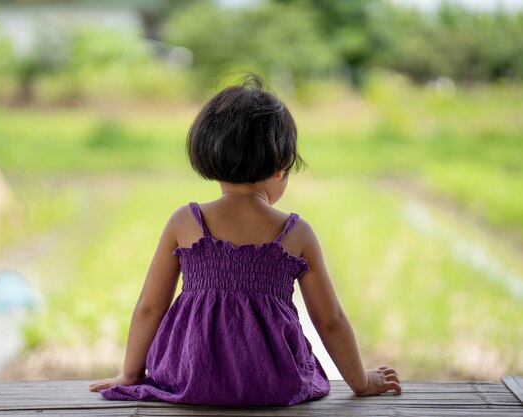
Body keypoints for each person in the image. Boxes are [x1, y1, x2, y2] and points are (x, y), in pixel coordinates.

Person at [89, 74, 401, 406]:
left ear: (208, 151)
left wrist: (131, 375)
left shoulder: (185, 222)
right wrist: (361, 381)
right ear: (282, 166)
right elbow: (330, 320)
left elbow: (150, 307)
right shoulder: (296, 233)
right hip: (276, 385)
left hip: (189, 379)